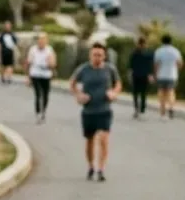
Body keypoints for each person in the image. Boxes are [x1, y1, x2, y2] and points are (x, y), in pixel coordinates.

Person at [71, 40, 122, 181]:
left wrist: (114, 93)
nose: (97, 58)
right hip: (88, 111)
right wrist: (79, 95)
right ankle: (91, 166)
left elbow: (118, 83)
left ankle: (101, 169)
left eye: (100, 55)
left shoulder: (110, 69)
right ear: (90, 55)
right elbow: (72, 83)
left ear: (104, 56)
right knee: (90, 141)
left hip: (104, 110)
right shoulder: (84, 69)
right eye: (95, 55)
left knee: (104, 139)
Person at [25, 32, 59, 124]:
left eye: (44, 40)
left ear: (46, 41)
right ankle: (38, 113)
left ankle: (43, 111)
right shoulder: (33, 50)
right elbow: (28, 63)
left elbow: (53, 63)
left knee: (45, 95)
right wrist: (28, 77)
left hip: (46, 75)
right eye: (40, 40)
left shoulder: (49, 50)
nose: (41, 42)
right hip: (35, 74)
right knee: (38, 94)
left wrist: (51, 64)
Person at [153, 34, 184, 119]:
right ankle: (171, 107)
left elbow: (156, 64)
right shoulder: (175, 51)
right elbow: (180, 64)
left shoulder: (159, 51)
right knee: (171, 92)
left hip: (161, 75)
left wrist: (155, 75)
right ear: (171, 41)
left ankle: (163, 112)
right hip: (172, 75)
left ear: (162, 41)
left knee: (162, 93)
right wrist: (176, 69)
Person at [128, 36, 155, 119]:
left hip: (136, 75)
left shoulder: (134, 53)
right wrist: (151, 75)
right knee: (143, 93)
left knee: (136, 93)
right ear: (145, 44)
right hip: (144, 75)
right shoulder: (149, 53)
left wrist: (129, 75)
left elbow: (130, 66)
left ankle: (137, 109)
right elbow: (151, 65)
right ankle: (142, 109)